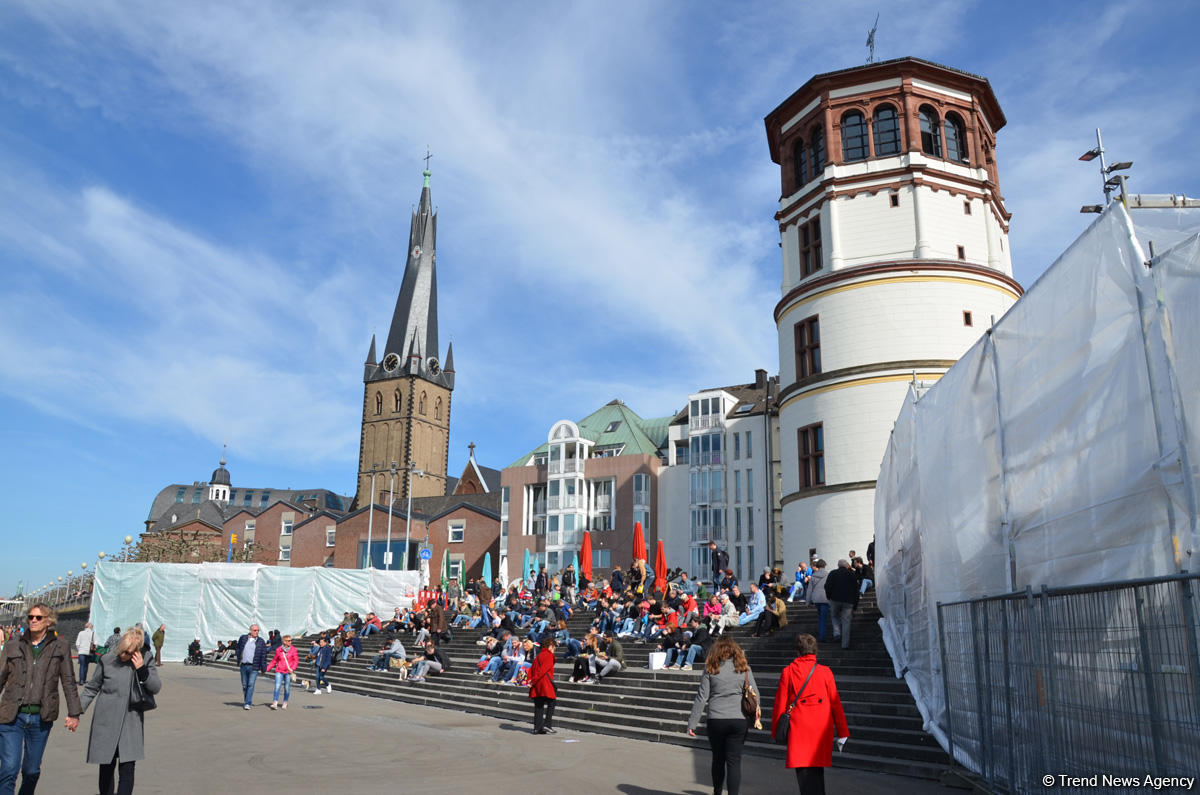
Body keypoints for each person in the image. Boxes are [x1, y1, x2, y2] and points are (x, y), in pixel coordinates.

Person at [0, 603, 82, 794]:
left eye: (38, 617)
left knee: (31, 770)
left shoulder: (60, 647)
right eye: (30, 617)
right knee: (9, 769)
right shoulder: (13, 645)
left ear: (48, 621)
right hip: (12, 715)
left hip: (41, 718)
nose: (33, 621)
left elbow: (68, 681)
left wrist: (74, 713)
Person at [78, 627, 161, 795]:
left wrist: (142, 670)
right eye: (122, 652)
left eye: (129, 653)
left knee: (127, 768)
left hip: (131, 721)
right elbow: (92, 687)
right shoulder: (107, 659)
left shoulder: (146, 660)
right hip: (106, 720)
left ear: (137, 651)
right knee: (106, 767)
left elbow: (155, 687)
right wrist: (75, 712)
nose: (124, 656)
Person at [771, 634, 848, 794]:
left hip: (799, 728)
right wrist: (842, 731)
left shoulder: (788, 672)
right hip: (820, 729)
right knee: (817, 772)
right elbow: (836, 703)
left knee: (804, 776)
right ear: (815, 651)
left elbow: (780, 704)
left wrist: (776, 731)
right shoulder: (826, 672)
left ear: (798, 651)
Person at [686, 636, 759, 795]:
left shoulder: (711, 668)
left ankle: (717, 792)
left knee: (718, 759)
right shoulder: (744, 668)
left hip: (716, 720)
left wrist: (692, 723)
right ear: (735, 650)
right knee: (734, 762)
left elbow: (701, 697)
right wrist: (755, 718)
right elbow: (755, 695)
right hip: (738, 720)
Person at [823, 560, 860, 649]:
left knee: (834, 616)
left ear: (838, 565)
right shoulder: (851, 574)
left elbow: (827, 586)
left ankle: (837, 633)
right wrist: (855, 605)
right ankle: (845, 645)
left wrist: (829, 597)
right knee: (846, 622)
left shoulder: (832, 573)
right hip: (848, 601)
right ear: (847, 566)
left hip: (835, 600)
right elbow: (856, 590)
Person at [528, 637, 557, 734]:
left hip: (536, 684)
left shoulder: (538, 656)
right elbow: (543, 670)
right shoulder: (549, 655)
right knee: (552, 702)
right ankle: (547, 724)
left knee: (539, 705)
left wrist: (530, 681)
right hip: (544, 683)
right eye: (554, 648)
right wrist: (533, 680)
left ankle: (537, 727)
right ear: (550, 646)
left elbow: (531, 670)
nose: (554, 650)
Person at [235, 624, 268, 710]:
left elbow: (264, 655)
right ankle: (247, 700)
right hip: (243, 665)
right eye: (255, 630)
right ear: (250, 631)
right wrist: (239, 657)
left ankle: (247, 703)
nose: (256, 632)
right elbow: (238, 648)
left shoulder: (261, 641)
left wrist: (264, 668)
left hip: (254, 666)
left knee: (250, 684)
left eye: (258, 630)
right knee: (245, 685)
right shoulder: (243, 638)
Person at [266, 635, 299, 710]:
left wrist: (293, 668)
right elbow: (274, 661)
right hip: (279, 670)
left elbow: (296, 661)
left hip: (288, 671)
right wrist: (267, 669)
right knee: (277, 686)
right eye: (288, 640)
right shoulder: (279, 650)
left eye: (291, 640)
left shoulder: (293, 649)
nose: (290, 642)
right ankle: (275, 702)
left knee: (287, 688)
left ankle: (285, 702)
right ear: (284, 642)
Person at [807, 560, 831, 642]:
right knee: (823, 618)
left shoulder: (813, 576)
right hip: (825, 598)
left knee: (821, 617)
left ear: (817, 566)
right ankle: (823, 637)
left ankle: (821, 634)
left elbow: (809, 590)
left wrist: (808, 601)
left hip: (816, 599)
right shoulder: (828, 575)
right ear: (824, 566)